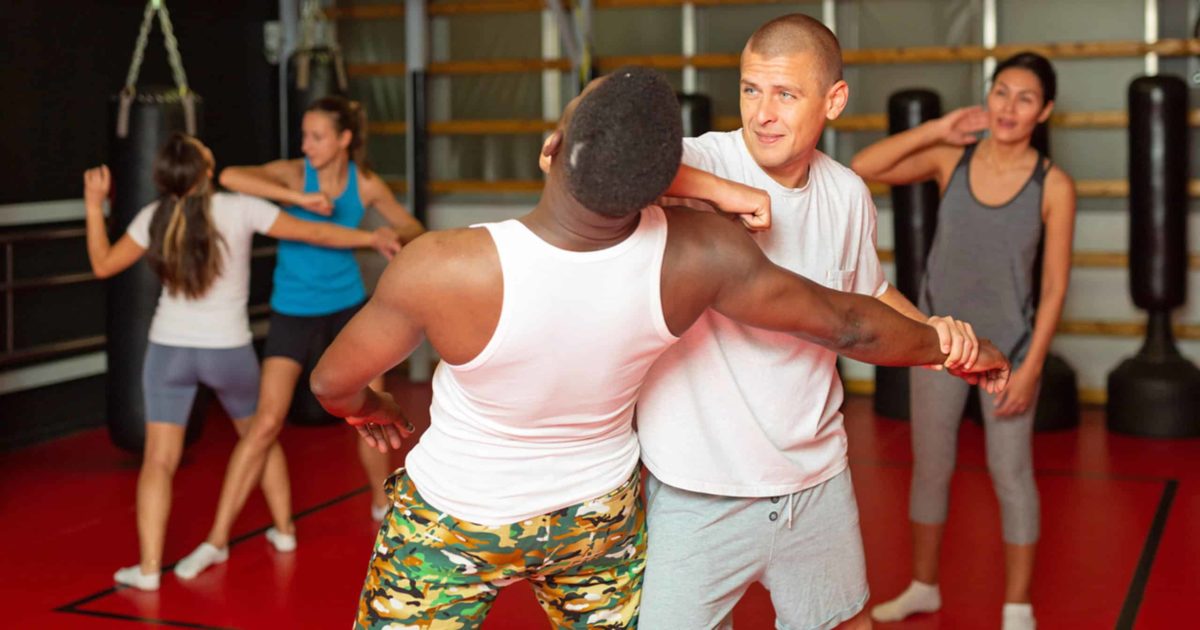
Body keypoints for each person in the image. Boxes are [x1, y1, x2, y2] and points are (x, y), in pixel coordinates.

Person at [308, 67, 1009, 629]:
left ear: (554, 147)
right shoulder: (698, 256)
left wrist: (368, 406)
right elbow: (848, 323)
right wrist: (951, 347)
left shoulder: (444, 267)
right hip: (596, 524)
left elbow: (331, 383)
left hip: (456, 517)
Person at [634, 14, 978, 630]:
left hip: (815, 483)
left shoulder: (845, 193)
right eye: (751, 90)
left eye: (786, 94)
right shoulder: (698, 161)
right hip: (698, 489)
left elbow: (868, 291)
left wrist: (937, 340)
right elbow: (574, 159)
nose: (763, 114)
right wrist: (727, 193)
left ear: (833, 100)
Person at [83, 134, 401, 591]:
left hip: (169, 351)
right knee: (260, 437)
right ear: (206, 170)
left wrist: (94, 205)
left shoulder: (153, 216)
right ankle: (285, 530)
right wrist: (371, 237)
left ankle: (149, 568)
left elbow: (103, 264)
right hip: (227, 351)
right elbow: (314, 233)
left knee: (158, 460)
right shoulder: (239, 208)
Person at [852, 52, 1075, 630]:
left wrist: (1030, 368)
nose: (1009, 106)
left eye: (1026, 97)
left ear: (1044, 111)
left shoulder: (1053, 184)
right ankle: (923, 587)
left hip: (1010, 353)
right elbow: (863, 165)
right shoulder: (954, 157)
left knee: (1011, 475)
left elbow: (1054, 287)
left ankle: (1017, 606)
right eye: (1001, 92)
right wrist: (936, 128)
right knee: (931, 468)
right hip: (941, 347)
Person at [173, 96, 425, 580]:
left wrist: (396, 234)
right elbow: (230, 177)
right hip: (292, 310)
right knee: (266, 422)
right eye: (305, 135)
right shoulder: (292, 174)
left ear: (344, 139)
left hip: (347, 308)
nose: (307, 145)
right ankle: (216, 541)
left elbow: (409, 222)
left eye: (317, 137)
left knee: (369, 411)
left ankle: (384, 508)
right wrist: (300, 199)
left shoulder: (364, 183)